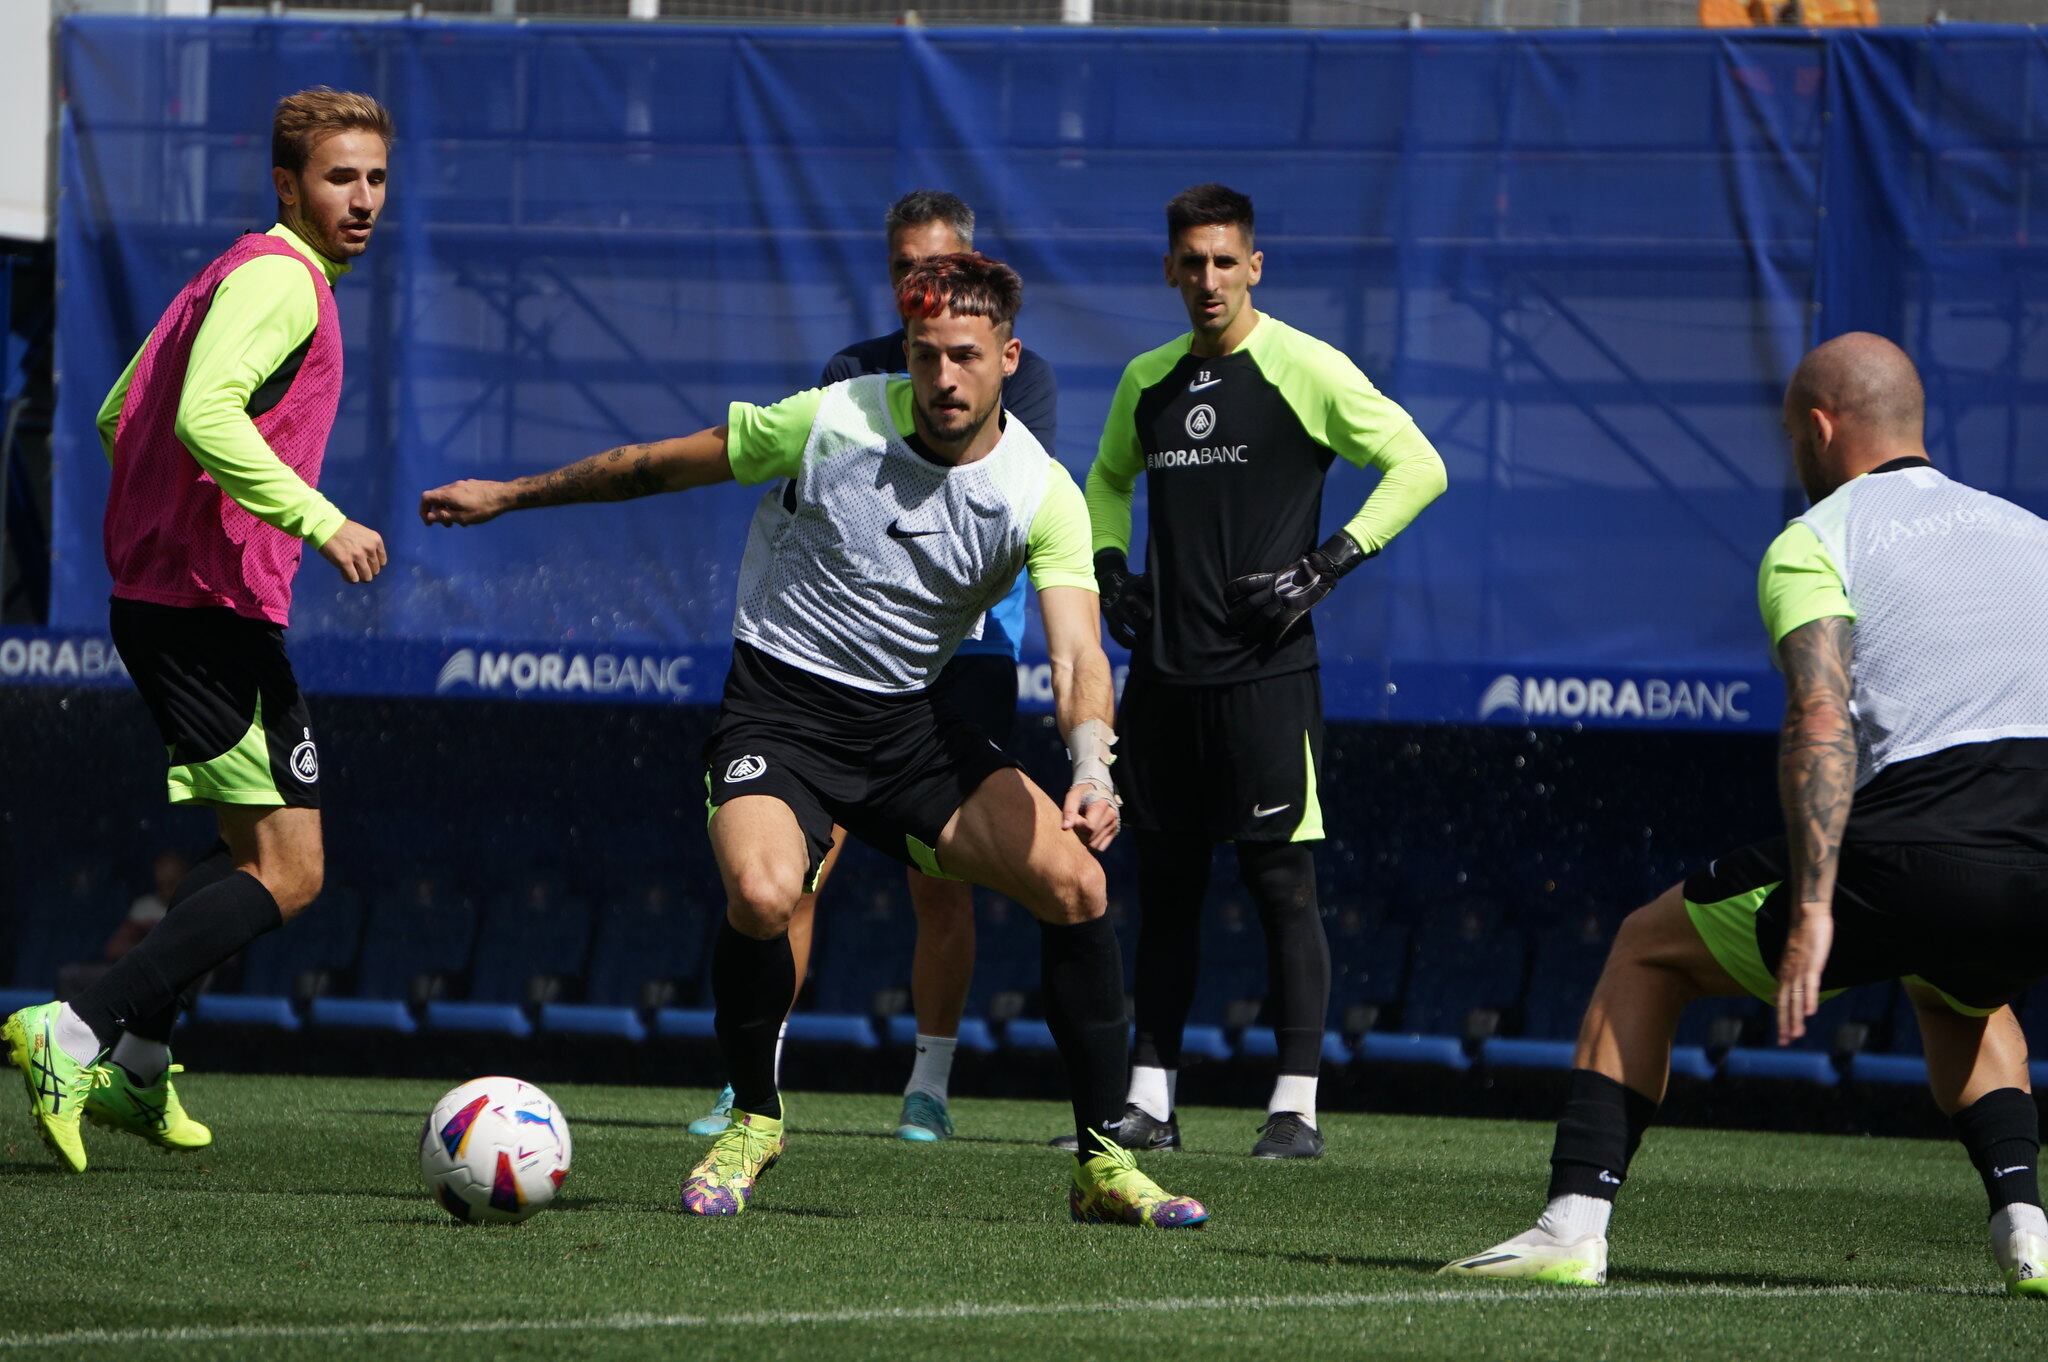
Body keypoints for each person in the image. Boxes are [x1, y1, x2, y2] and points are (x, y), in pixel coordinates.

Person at [419, 252, 1207, 1227]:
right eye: (925, 357)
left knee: (1077, 885)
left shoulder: (1037, 491)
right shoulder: (832, 418)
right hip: (778, 712)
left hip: (907, 727)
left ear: (1008, 357)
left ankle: (1098, 1166)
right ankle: (753, 1118)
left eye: (964, 357)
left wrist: (1091, 766)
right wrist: (511, 494)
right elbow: (662, 465)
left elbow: (1079, 652)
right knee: (761, 892)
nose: (943, 379)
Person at [1443, 333, 2048, 1297]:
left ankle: (1571, 1226)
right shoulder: (2032, 533)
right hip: (2036, 861)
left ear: (1819, 428)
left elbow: (1820, 715)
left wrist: (1814, 903)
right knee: (1963, 990)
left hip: (1912, 847)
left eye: (1789, 438)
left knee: (1646, 950)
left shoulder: (1818, 538)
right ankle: (2029, 1234)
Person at [2, 88, 392, 1174]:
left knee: (246, 859)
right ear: (286, 185)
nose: (360, 200)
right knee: (293, 870)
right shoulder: (283, 281)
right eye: (337, 178)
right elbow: (197, 412)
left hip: (181, 600)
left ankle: (137, 1059)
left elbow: (118, 410)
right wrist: (318, 521)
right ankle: (74, 1028)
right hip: (204, 611)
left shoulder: (233, 269)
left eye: (373, 179)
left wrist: (168, 519)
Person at [1081, 183, 1445, 1158]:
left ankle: (1294, 1108)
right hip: (1161, 683)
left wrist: (1326, 565)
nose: (1207, 279)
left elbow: (1418, 464)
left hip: (1265, 681)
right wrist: (1110, 568)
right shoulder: (1145, 382)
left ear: (1254, 265)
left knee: (1281, 884)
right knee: (1164, 889)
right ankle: (1148, 1103)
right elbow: (1106, 480)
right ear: (1169, 269)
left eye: (1223, 260)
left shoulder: (1305, 368)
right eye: (1190, 262)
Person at [689, 189, 1060, 1145]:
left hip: (966, 653)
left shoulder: (1026, 380)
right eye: (902, 269)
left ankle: (928, 1085)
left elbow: (999, 518)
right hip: (842, 661)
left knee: (943, 881)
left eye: (933, 266)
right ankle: (753, 1087)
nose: (917, 285)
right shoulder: (853, 375)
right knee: (794, 873)